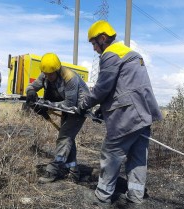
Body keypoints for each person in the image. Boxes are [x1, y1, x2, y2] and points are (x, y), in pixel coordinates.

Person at [78, 20, 162, 207]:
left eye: (94, 44)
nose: (94, 49)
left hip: (127, 116)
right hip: (143, 114)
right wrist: (102, 109)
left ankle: (102, 197)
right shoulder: (132, 54)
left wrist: (85, 104)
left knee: (111, 154)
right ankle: (135, 197)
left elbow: (102, 88)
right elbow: (123, 87)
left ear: (102, 38)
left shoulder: (110, 54)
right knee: (138, 157)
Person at [25, 53, 90, 183]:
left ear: (57, 69)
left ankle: (54, 169)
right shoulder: (45, 73)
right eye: (46, 74)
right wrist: (31, 91)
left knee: (64, 137)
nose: (48, 77)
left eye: (51, 74)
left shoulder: (70, 78)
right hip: (66, 109)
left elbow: (69, 104)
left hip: (78, 110)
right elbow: (32, 86)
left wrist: (47, 106)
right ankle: (73, 171)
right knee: (68, 138)